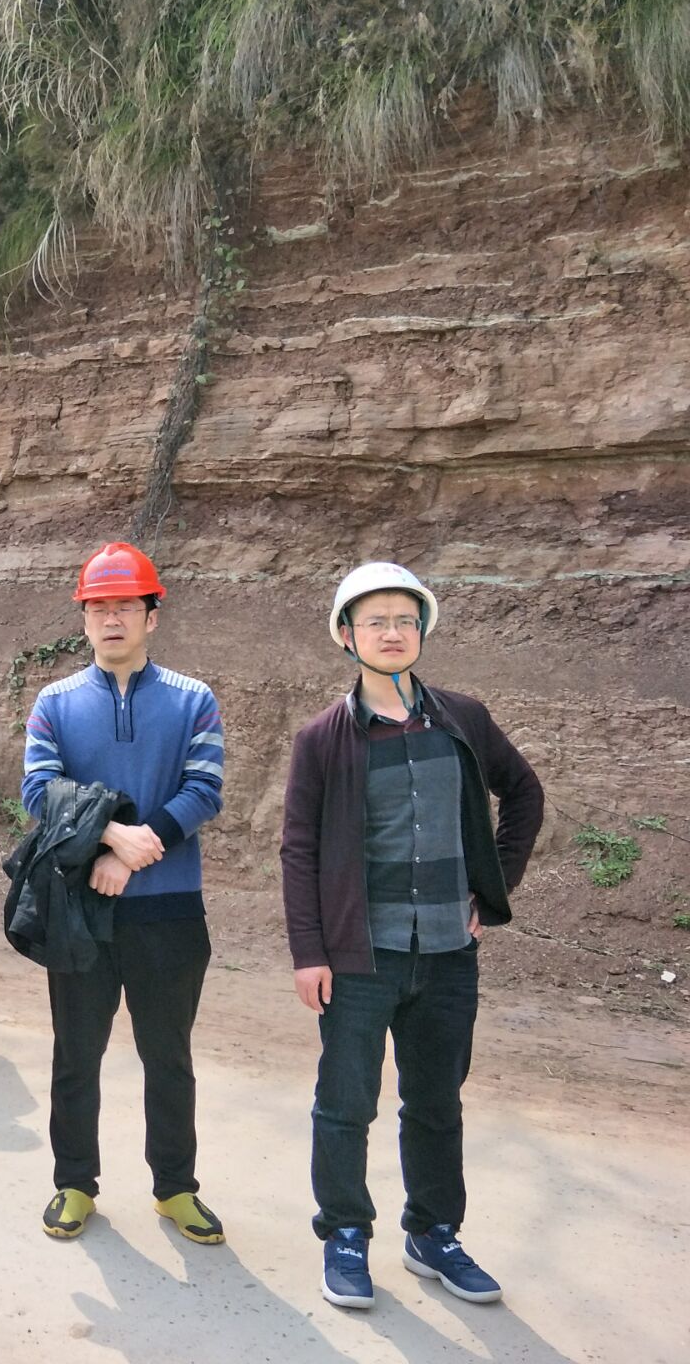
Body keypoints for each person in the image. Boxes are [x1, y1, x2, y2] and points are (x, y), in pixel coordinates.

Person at [282, 562, 544, 1311]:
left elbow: (523, 792)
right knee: (346, 1103)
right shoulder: (323, 739)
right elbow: (299, 849)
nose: (392, 633)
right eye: (376, 621)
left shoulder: (462, 719)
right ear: (347, 636)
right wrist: (309, 952)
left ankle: (433, 1234)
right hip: (360, 957)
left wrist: (493, 889)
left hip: (449, 956)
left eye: (405, 619)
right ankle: (345, 1234)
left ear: (422, 630)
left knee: (435, 1102)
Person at [22, 543, 227, 1247]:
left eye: (125, 607)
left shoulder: (193, 700)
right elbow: (39, 791)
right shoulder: (55, 703)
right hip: (80, 908)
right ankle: (75, 1182)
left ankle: (175, 1188)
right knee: (76, 1054)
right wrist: (111, 836)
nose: (112, 619)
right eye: (99, 607)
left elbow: (204, 789)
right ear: (83, 618)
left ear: (151, 616)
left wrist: (135, 854)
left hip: (170, 910)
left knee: (168, 1058)